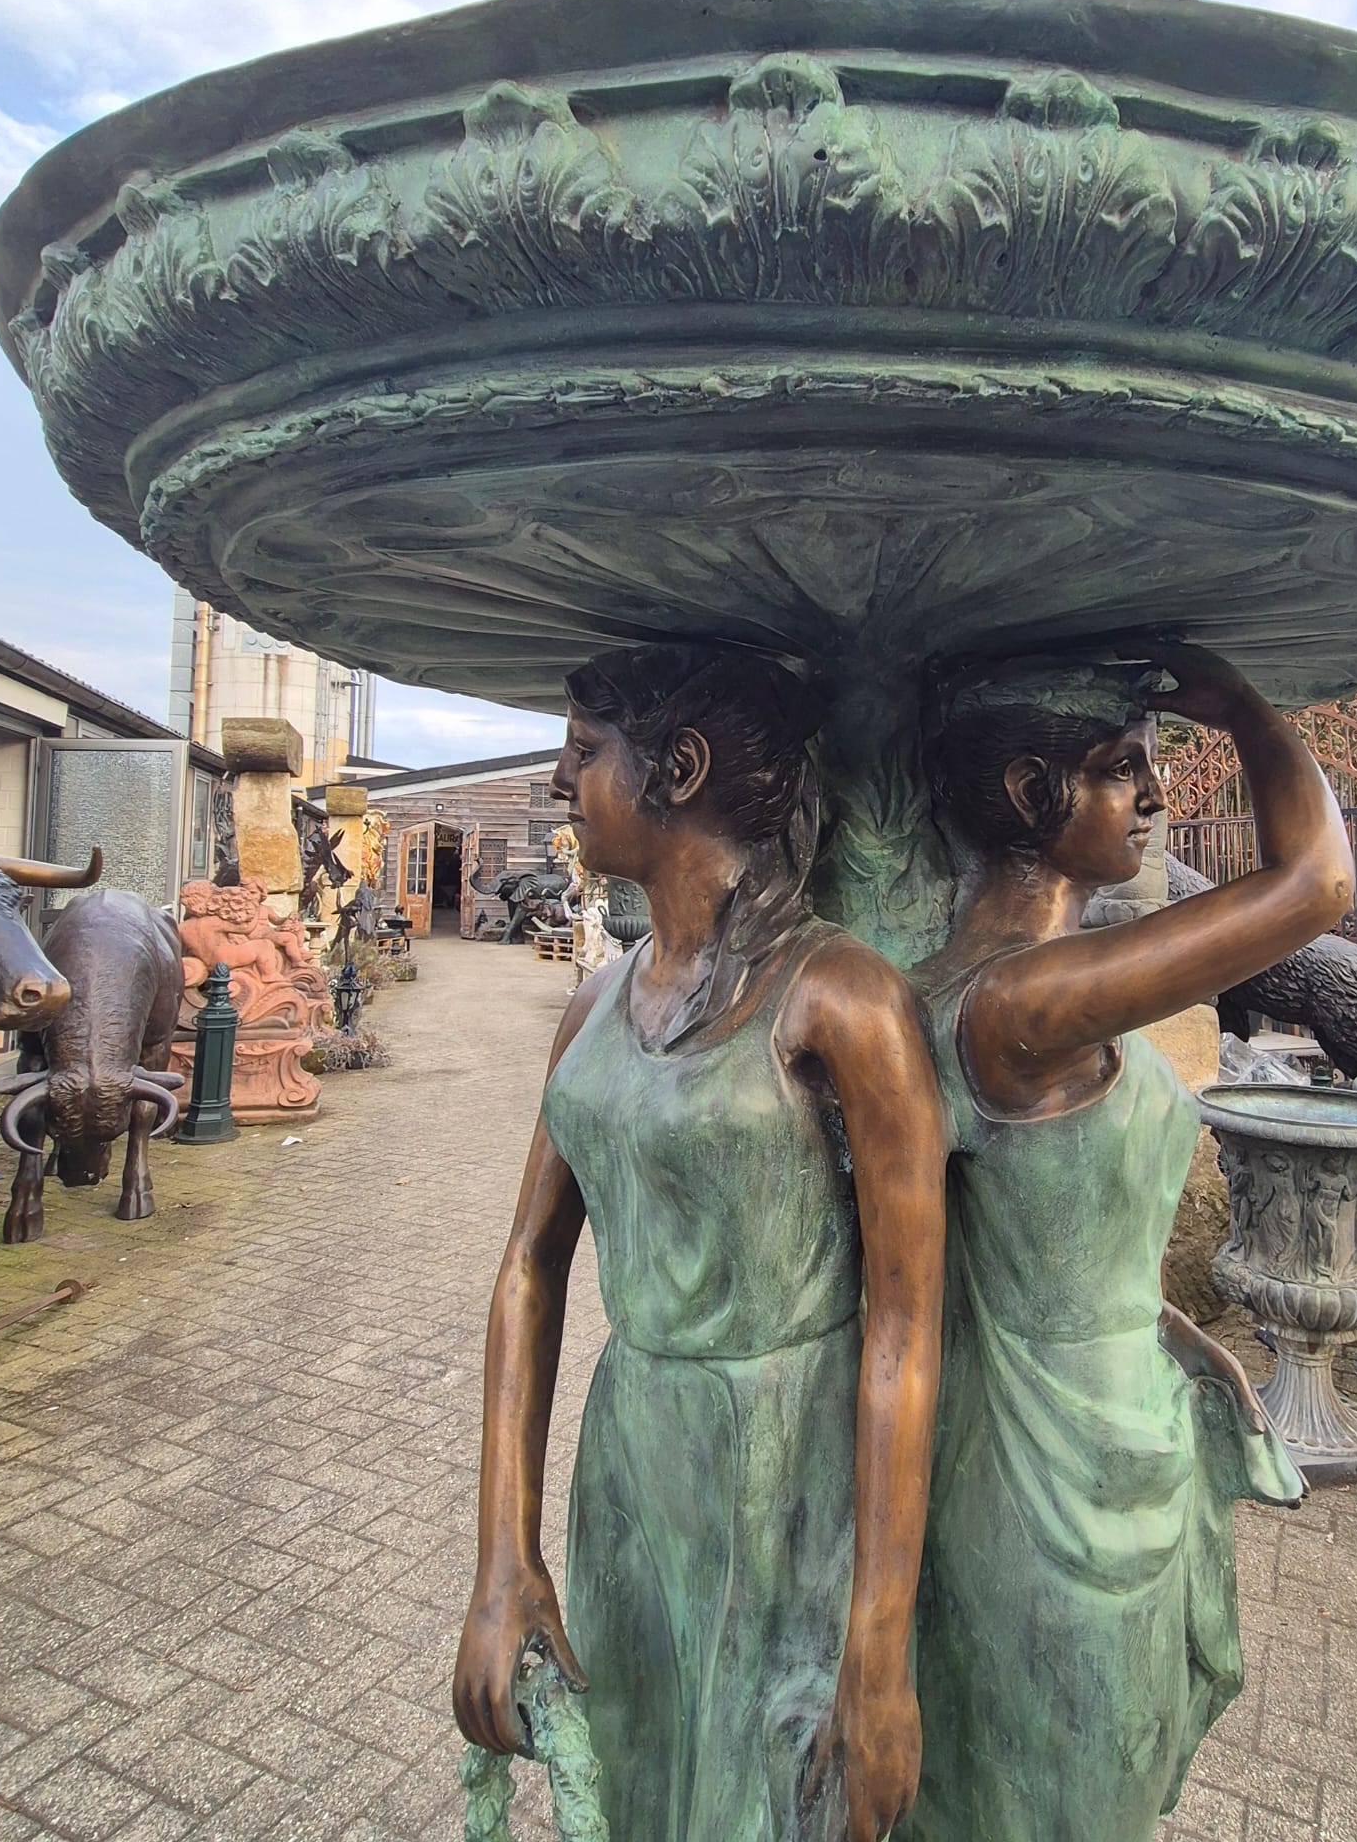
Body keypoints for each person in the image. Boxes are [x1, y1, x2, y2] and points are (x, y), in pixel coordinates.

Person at [453, 643, 949, 1842]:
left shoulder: (842, 998)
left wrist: (877, 1655)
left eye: (585, 756)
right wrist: (501, 1558)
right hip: (631, 1459)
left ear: (675, 768)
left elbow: (906, 1318)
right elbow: (528, 1262)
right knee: (638, 1779)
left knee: (766, 1795)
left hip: (785, 1478)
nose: (564, 785)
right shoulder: (593, 999)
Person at [899, 642, 1352, 1842]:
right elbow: (1313, 885)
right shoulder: (1018, 1005)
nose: (1154, 796)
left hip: (1120, 1430)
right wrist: (1247, 711)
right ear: (1026, 798)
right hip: (1042, 1471)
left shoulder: (1012, 988)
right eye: (1121, 769)